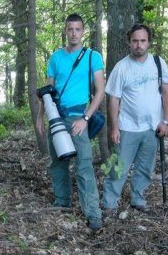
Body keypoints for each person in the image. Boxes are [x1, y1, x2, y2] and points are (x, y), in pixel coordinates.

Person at [36, 13, 105, 230]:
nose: (73, 33)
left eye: (77, 29)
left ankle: (92, 213)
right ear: (65, 31)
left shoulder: (93, 56)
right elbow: (48, 91)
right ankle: (62, 201)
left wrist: (85, 118)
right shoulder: (56, 57)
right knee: (57, 162)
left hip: (78, 117)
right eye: (69, 29)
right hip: (56, 115)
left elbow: (101, 91)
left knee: (84, 165)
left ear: (83, 31)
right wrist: (40, 117)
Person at [103, 24, 168, 214]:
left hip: (152, 127)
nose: (138, 45)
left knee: (145, 167)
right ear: (129, 42)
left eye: (142, 41)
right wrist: (114, 127)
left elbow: (166, 92)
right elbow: (114, 99)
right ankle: (109, 202)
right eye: (135, 41)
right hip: (127, 127)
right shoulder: (121, 67)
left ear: (148, 42)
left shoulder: (158, 63)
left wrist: (165, 121)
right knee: (118, 167)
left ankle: (138, 198)